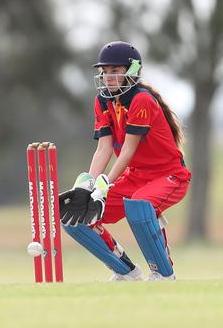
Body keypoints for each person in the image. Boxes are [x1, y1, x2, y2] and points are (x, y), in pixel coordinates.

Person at [59, 41, 192, 281]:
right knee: (76, 216)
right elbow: (104, 148)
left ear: (131, 71)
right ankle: (126, 271)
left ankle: (163, 274)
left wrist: (105, 183)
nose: (109, 77)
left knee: (139, 205)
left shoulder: (141, 100)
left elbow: (129, 149)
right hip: (135, 176)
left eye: (115, 71)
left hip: (169, 175)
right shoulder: (102, 101)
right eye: (105, 71)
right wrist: (89, 185)